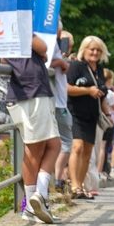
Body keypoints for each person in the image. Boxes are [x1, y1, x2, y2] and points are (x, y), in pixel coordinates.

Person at [2, 35, 62, 223]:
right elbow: (43, 48)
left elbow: (5, 59)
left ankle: (35, 200)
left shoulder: (2, 28)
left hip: (23, 91)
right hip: (33, 91)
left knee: (50, 144)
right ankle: (34, 200)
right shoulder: (20, 23)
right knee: (38, 148)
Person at [66, 36, 112, 200]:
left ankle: (81, 186)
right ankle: (74, 186)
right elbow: (67, 88)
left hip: (92, 114)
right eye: (92, 49)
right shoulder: (76, 66)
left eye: (98, 50)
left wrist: (107, 115)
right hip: (76, 113)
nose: (95, 52)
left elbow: (101, 94)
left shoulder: (99, 69)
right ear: (84, 50)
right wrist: (88, 91)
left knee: (87, 152)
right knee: (77, 148)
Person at [50, 20, 73, 192]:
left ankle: (53, 182)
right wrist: (61, 62)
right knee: (64, 141)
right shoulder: (49, 43)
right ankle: (57, 180)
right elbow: (46, 62)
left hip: (56, 100)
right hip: (56, 101)